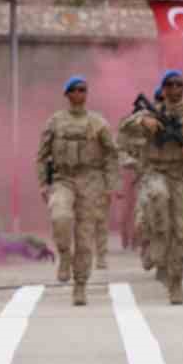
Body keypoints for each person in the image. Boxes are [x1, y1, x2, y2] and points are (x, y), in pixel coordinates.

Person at [119, 69, 183, 304]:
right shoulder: (151, 112)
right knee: (157, 195)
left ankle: (175, 281)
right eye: (170, 85)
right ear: (164, 88)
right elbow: (124, 127)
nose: (175, 89)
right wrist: (143, 121)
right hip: (155, 171)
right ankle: (154, 240)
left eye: (179, 84)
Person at [37, 75, 116, 306]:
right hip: (63, 179)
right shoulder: (54, 122)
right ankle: (63, 254)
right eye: (75, 90)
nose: (80, 94)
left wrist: (110, 186)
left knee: (84, 238)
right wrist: (44, 183)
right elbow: (42, 156)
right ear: (68, 94)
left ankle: (80, 285)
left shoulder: (98, 123)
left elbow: (111, 155)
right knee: (60, 216)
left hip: (90, 181)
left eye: (83, 90)